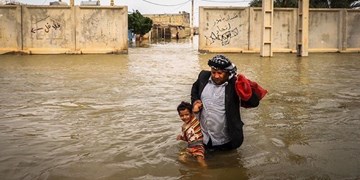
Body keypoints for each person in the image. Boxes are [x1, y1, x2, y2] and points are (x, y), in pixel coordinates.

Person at [191, 55, 260, 151]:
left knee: (228, 161)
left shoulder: (235, 84)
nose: (216, 76)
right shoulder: (203, 77)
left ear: (227, 73)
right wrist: (195, 102)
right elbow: (195, 88)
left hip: (226, 140)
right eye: (213, 72)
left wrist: (245, 88)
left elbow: (254, 102)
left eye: (220, 73)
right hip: (204, 137)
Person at [176, 101, 207, 167]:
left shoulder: (195, 120)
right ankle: (193, 168)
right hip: (190, 147)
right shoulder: (183, 127)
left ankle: (205, 172)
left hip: (199, 146)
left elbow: (197, 110)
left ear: (191, 114)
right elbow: (186, 139)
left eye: (187, 114)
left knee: (200, 160)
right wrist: (181, 137)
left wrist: (197, 105)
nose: (184, 117)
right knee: (181, 159)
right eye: (181, 115)